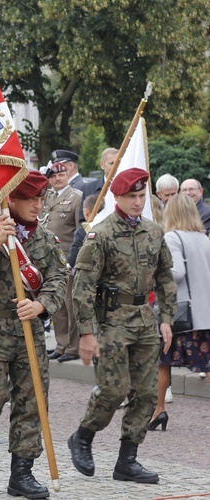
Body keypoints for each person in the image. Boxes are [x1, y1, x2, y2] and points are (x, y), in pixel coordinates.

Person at [0, 170, 67, 498]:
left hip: (29, 329)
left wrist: (42, 305)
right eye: (30, 198)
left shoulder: (44, 238)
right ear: (10, 200)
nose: (37, 204)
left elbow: (60, 276)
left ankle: (22, 472)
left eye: (40, 198)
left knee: (32, 402)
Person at [69, 168, 176, 484]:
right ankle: (83, 436)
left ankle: (127, 460)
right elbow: (83, 286)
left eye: (142, 196)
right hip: (111, 322)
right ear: (117, 196)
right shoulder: (100, 234)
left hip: (144, 319)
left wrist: (167, 319)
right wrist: (87, 333)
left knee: (145, 394)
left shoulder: (154, 232)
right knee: (114, 389)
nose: (138, 202)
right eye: (132, 196)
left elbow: (166, 277)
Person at [149, 194, 210, 431]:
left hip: (181, 313)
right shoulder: (204, 238)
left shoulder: (172, 237)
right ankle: (158, 411)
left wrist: (155, 268)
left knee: (162, 362)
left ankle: (158, 410)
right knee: (207, 364)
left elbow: (177, 273)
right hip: (204, 313)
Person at [41, 162, 82, 363]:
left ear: (68, 175)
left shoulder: (76, 197)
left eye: (62, 175)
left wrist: (75, 260)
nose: (58, 179)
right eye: (54, 176)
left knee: (69, 304)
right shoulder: (46, 197)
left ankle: (74, 347)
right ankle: (61, 344)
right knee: (55, 303)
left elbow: (80, 231)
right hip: (49, 259)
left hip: (67, 259)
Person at [80, 148, 118, 221]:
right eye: (112, 163)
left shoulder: (128, 188)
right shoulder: (88, 189)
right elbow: (82, 220)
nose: (116, 167)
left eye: (118, 163)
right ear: (102, 165)